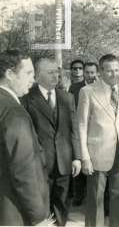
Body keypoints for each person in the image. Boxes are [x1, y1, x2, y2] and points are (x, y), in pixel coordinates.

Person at [77, 54, 119, 227]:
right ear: (101, 71)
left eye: (117, 70)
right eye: (109, 70)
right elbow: (81, 126)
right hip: (96, 152)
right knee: (95, 197)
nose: (114, 74)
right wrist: (85, 157)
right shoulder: (88, 91)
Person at [20, 58, 81, 226]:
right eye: (50, 72)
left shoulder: (67, 97)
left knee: (61, 204)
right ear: (38, 76)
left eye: (57, 72)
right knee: (40, 205)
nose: (56, 76)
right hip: (38, 163)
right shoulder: (26, 98)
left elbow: (74, 130)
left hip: (63, 162)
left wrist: (77, 157)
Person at [0, 50, 50, 226]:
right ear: (9, 74)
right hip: (14, 212)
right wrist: (39, 218)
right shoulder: (13, 110)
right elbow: (23, 170)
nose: (33, 79)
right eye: (28, 73)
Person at [68, 62, 99, 207]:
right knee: (80, 160)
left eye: (92, 72)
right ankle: (78, 197)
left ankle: (94, 198)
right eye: (87, 72)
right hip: (79, 130)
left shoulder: (101, 88)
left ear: (97, 73)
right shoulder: (74, 88)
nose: (89, 75)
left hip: (96, 131)